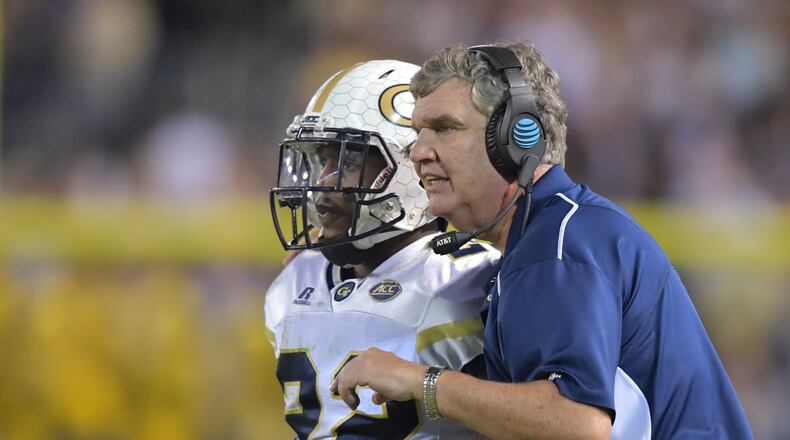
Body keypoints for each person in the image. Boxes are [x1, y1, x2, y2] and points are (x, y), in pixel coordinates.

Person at [332, 43, 753, 439]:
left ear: (519, 139)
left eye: (445, 128)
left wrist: (419, 381)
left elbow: (577, 422)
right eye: (419, 132)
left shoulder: (557, 246)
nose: (419, 151)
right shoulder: (553, 233)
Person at [265, 59, 500, 439]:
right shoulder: (296, 278)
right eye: (321, 160)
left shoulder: (471, 281)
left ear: (411, 165)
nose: (323, 183)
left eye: (349, 159)